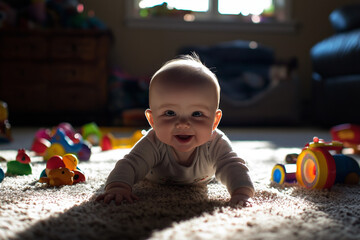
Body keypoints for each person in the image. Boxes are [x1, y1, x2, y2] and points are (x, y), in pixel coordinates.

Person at [96, 54, 255, 206]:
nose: (183, 124)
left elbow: (233, 166)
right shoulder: (153, 143)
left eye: (197, 114)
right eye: (170, 113)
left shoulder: (215, 143)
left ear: (214, 121)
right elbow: (129, 165)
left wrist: (241, 193)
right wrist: (118, 187)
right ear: (152, 120)